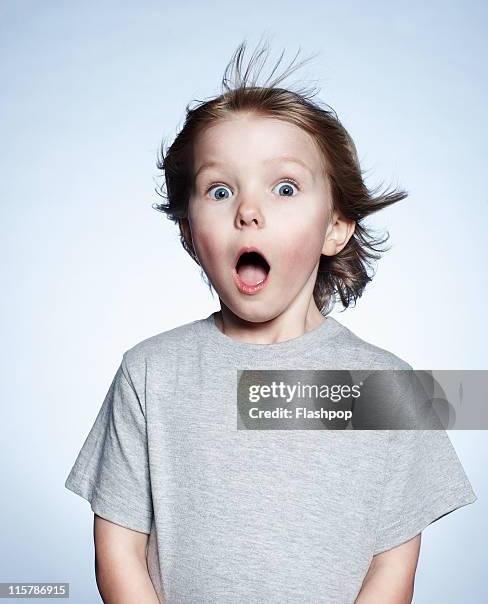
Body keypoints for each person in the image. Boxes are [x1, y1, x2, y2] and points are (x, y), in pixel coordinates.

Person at [65, 38, 477, 603]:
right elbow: (117, 549)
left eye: (285, 187)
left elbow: (393, 568)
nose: (248, 210)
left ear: (336, 226)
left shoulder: (385, 388)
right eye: (219, 189)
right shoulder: (149, 375)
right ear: (189, 232)